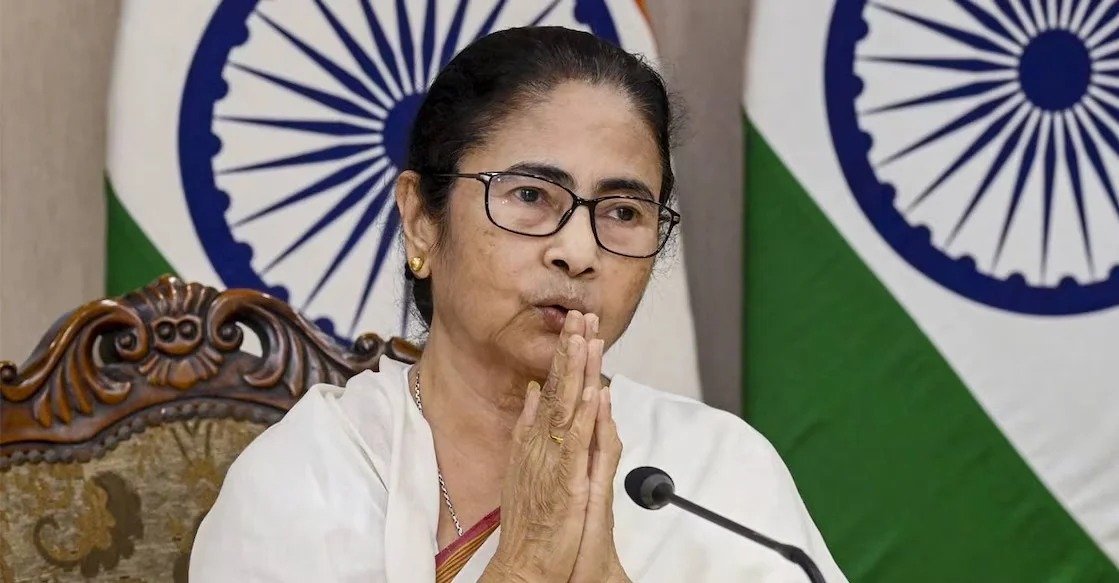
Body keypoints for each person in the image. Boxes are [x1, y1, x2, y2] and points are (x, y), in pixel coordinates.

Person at [189, 25, 848, 583]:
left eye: (623, 211)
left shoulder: (713, 473)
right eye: (530, 195)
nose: (578, 251)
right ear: (420, 220)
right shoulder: (312, 477)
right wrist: (525, 563)